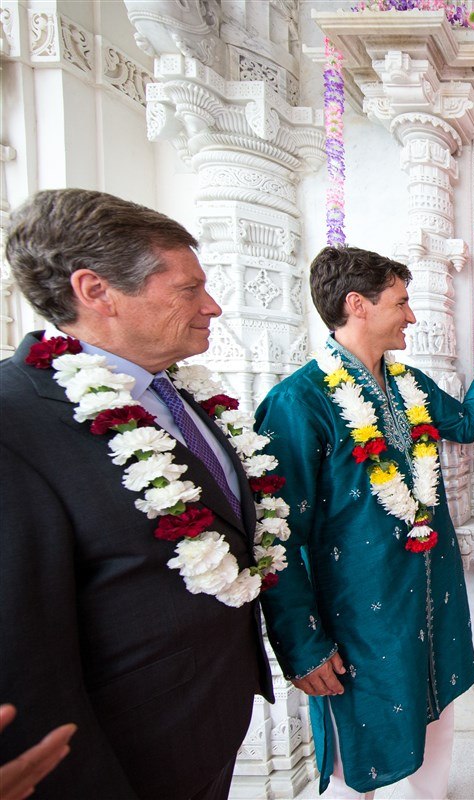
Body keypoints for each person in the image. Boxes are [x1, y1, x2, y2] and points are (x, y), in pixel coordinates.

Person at [0, 189, 274, 798]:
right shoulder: (13, 422)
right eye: (188, 289)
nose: (213, 306)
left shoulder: (182, 393)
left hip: (209, 725)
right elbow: (21, 649)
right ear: (96, 291)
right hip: (121, 758)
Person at [254, 246, 474, 799]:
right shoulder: (299, 402)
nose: (411, 316)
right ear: (357, 304)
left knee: (434, 700)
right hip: (359, 609)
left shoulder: (406, 382)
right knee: (364, 724)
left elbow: (463, 423)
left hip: (428, 588)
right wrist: (302, 644)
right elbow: (276, 533)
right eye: (402, 302)